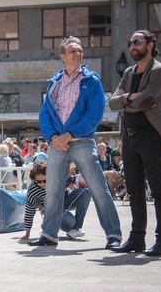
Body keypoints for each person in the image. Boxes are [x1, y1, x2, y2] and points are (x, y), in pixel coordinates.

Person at [28, 36, 122, 249]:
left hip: (82, 142)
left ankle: (114, 235)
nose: (78, 54)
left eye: (80, 50)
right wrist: (53, 137)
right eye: (73, 51)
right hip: (57, 145)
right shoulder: (54, 83)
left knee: (99, 189)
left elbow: (95, 113)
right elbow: (45, 114)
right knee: (52, 191)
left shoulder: (91, 80)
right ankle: (49, 234)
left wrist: (68, 134)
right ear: (63, 56)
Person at [109, 30, 161, 257]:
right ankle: (137, 239)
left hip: (151, 136)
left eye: (137, 42)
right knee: (134, 191)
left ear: (150, 44)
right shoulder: (128, 72)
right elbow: (112, 101)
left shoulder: (159, 71)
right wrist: (129, 98)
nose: (132, 46)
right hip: (128, 137)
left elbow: (148, 100)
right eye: (131, 43)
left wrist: (128, 99)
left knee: (158, 190)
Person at [13, 162, 91, 241]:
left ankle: (76, 229)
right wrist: (27, 234)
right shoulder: (33, 190)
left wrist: (81, 178)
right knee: (70, 222)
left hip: (64, 200)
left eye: (45, 180)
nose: (42, 183)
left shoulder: (59, 177)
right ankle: (50, 226)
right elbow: (29, 211)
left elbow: (74, 178)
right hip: (51, 211)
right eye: (38, 181)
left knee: (85, 192)